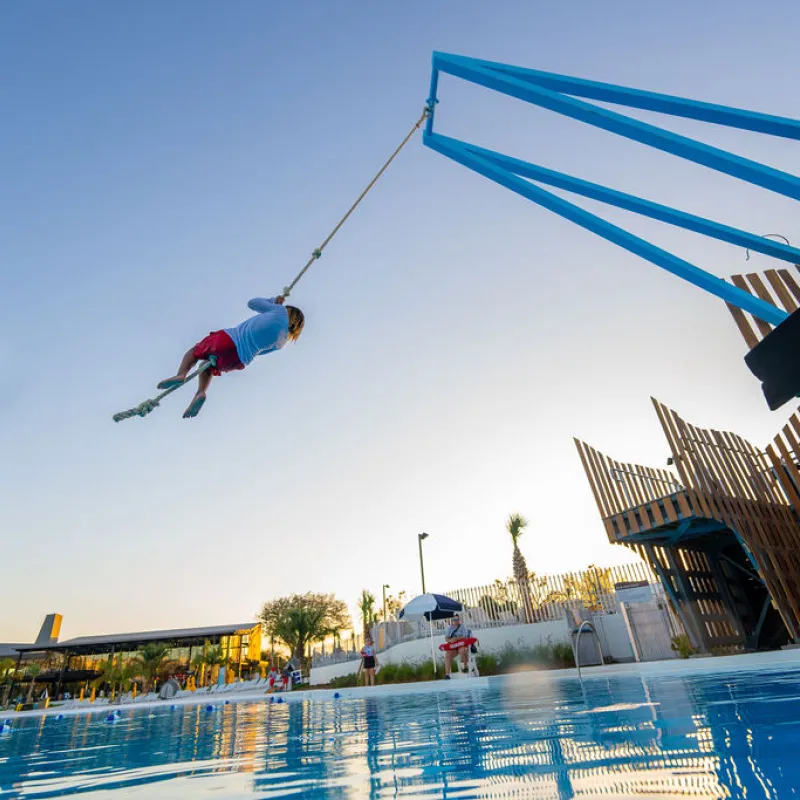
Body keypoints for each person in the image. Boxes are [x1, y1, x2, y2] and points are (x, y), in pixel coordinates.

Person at [157, 295, 305, 418]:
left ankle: (181, 374)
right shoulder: (282, 342)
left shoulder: (279, 311)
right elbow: (261, 352)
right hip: (238, 360)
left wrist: (272, 301)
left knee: (194, 351)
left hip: (229, 339)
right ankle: (201, 392)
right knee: (207, 367)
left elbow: (252, 303)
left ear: (288, 311)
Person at [443, 613, 471, 679]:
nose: (455, 621)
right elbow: (446, 638)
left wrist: (456, 638)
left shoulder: (462, 626)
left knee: (463, 650)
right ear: (452, 620)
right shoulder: (450, 628)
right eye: (454, 619)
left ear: (459, 620)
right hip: (454, 647)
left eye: (456, 619)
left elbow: (465, 636)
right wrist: (450, 640)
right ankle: (447, 675)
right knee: (447, 654)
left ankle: (465, 667)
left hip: (462, 645)